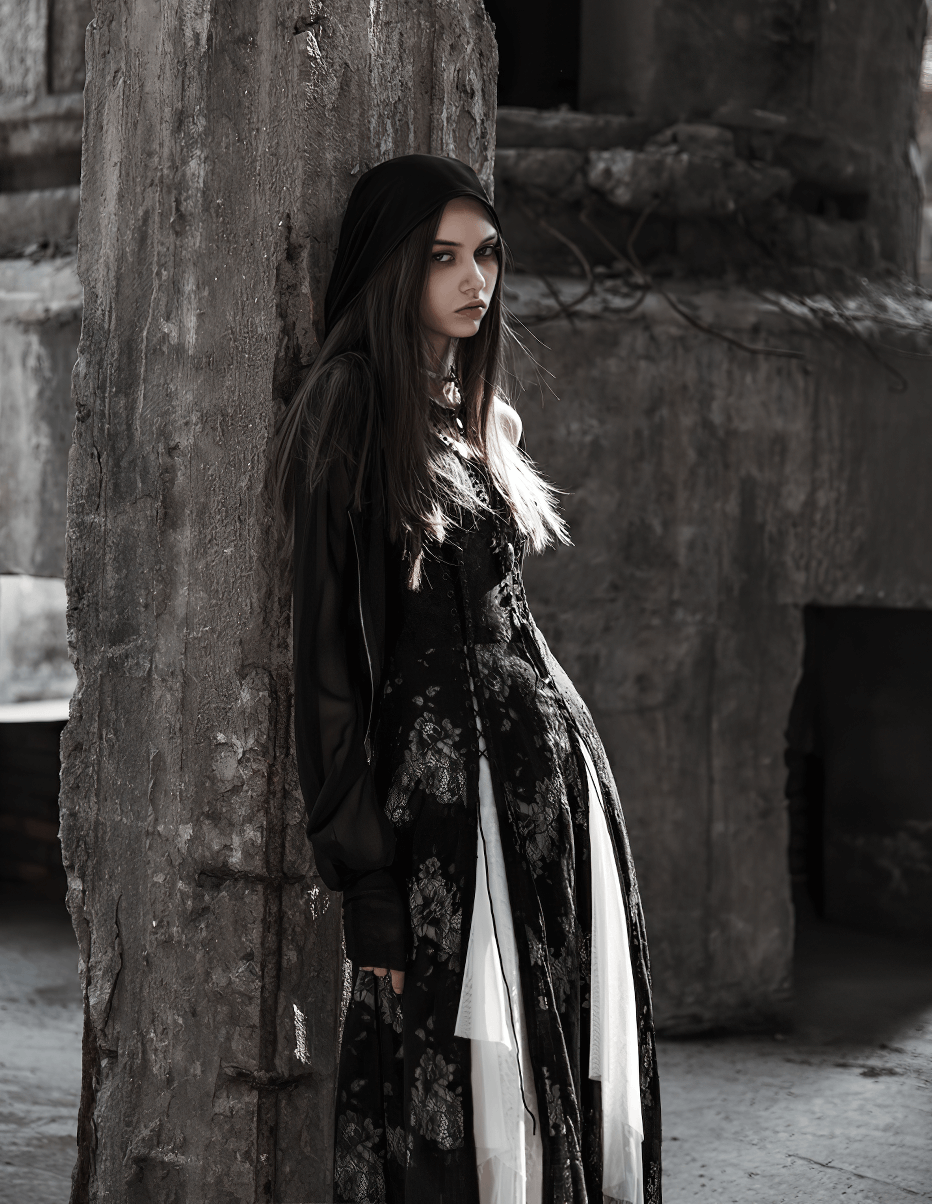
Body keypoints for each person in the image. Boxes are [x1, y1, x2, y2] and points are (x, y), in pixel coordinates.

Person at [274, 155, 661, 1204]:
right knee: (460, 1099)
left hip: (546, 803)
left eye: (485, 254)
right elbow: (328, 662)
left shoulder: (472, 408)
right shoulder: (347, 405)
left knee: (547, 1082)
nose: (472, 279)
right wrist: (363, 877)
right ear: (389, 266)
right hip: (447, 816)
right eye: (441, 256)